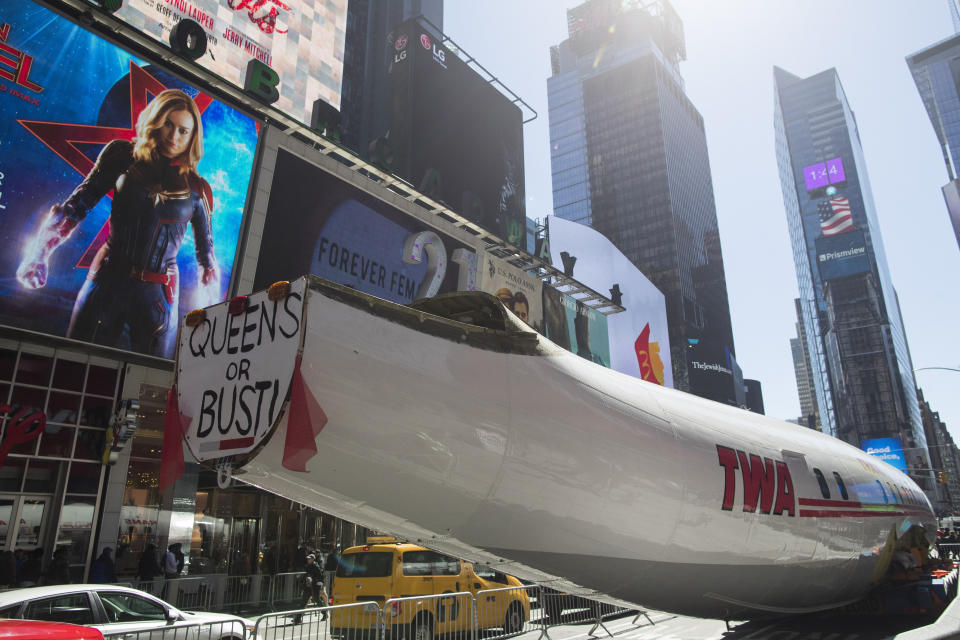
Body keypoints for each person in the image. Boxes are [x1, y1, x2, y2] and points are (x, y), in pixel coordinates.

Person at [16, 89, 219, 358]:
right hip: (108, 278)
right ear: (156, 119)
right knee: (73, 363)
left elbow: (206, 257)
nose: (173, 136)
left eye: (183, 130)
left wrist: (210, 316)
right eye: (169, 124)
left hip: (159, 294)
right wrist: (39, 254)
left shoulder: (198, 188)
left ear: (193, 136)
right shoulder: (122, 155)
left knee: (146, 380)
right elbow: (76, 207)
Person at [292, 553, 327, 624]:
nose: (308, 560)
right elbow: (307, 575)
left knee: (317, 600)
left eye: (309, 559)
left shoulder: (316, 566)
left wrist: (316, 582)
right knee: (303, 602)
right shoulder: (308, 566)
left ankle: (325, 614)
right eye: (308, 559)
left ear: (313, 559)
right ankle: (298, 618)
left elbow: (320, 576)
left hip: (314, 587)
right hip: (308, 587)